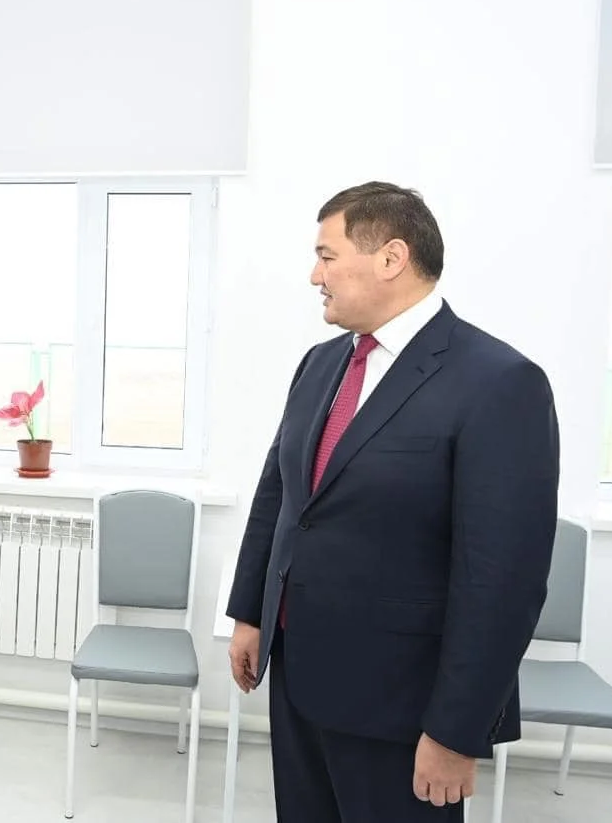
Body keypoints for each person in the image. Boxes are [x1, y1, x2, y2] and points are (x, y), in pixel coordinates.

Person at [226, 182, 559, 822]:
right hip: (299, 675)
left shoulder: (499, 382)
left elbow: (502, 582)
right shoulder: (320, 364)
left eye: (327, 256)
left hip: (402, 706)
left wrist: (457, 731)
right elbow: (281, 496)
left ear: (390, 258)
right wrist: (250, 612)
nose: (314, 276)